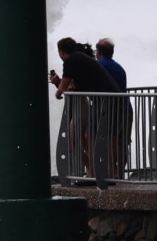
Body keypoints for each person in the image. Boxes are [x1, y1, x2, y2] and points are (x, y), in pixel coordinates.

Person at [50, 37, 120, 177]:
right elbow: (74, 88)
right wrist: (59, 83)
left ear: (62, 52)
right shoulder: (80, 59)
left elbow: (64, 88)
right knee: (85, 139)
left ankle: (95, 171)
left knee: (76, 140)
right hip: (107, 100)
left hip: (103, 102)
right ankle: (97, 171)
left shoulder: (71, 61)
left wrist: (57, 92)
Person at [95, 38, 132, 177]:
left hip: (110, 109)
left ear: (98, 52)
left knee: (110, 140)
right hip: (126, 107)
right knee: (122, 142)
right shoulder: (119, 67)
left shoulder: (98, 65)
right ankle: (120, 173)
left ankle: (111, 172)